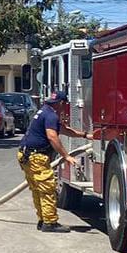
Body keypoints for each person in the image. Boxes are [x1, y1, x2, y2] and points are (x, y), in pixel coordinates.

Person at [17, 88, 92, 233]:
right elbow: (52, 136)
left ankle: (43, 219)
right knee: (47, 189)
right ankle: (50, 222)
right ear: (61, 103)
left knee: (37, 190)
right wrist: (66, 156)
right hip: (36, 156)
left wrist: (85, 135)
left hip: (26, 155)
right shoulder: (51, 116)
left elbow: (64, 130)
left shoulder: (45, 111)